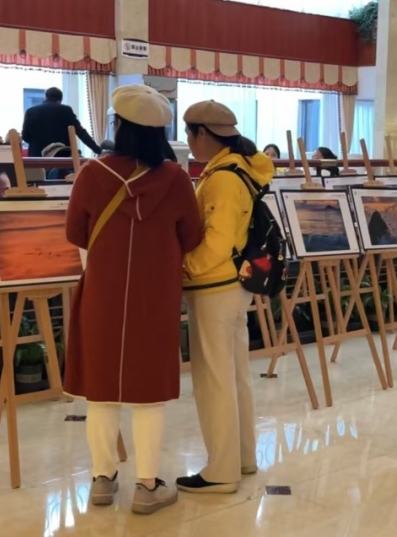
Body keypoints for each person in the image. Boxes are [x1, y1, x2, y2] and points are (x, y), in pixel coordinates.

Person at [64, 84, 202, 515]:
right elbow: (192, 235)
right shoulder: (176, 179)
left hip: (102, 292)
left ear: (119, 126)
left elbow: (75, 232)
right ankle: (147, 485)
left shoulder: (92, 173)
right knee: (149, 393)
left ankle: (102, 480)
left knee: (101, 391)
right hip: (155, 297)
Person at [177, 100, 274, 494]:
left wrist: (185, 268)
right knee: (234, 376)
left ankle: (220, 470)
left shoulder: (222, 178)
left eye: (189, 133)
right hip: (234, 286)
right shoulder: (241, 168)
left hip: (213, 287)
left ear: (203, 133)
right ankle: (242, 457)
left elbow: (216, 242)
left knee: (214, 380)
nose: (188, 142)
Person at [21, 87, 101, 159]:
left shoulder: (30, 111)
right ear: (60, 100)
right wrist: (98, 150)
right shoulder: (66, 110)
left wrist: (37, 142)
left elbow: (25, 136)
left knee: (37, 172)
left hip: (37, 157)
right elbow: (81, 132)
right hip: (61, 156)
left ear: (46, 97)